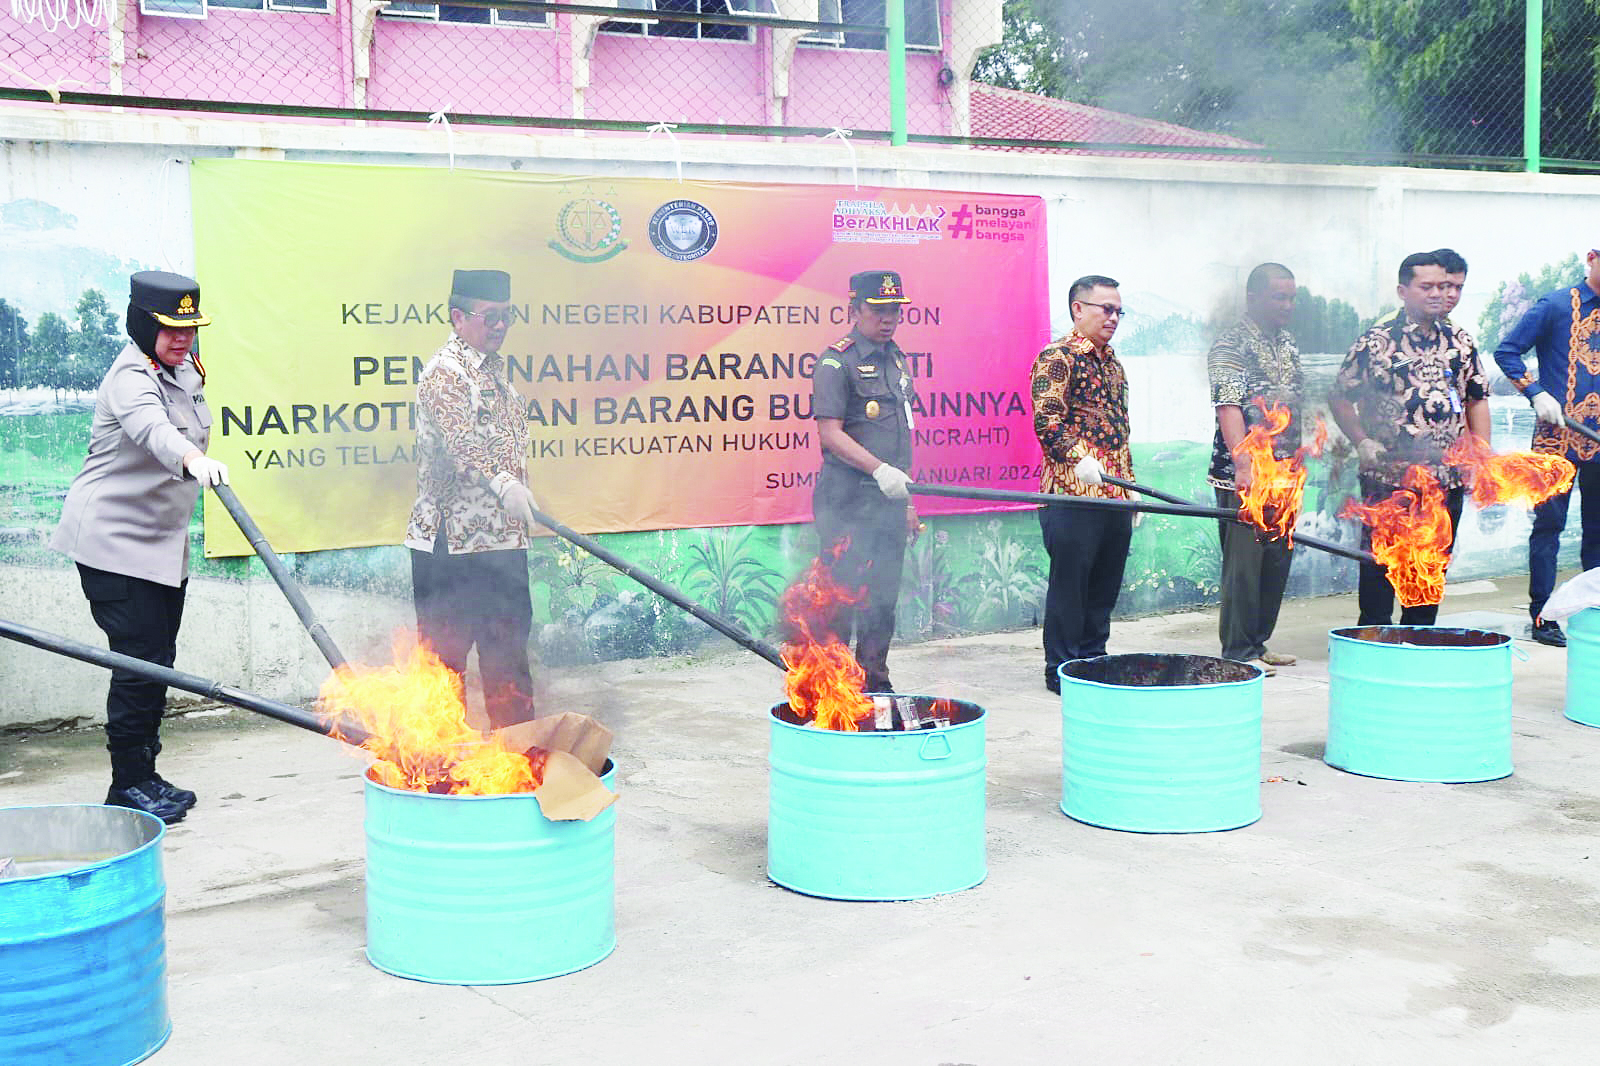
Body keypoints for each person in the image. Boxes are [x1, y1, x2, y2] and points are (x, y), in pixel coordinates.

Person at [51, 271, 227, 824]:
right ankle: (126, 784)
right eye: (171, 329)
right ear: (144, 326)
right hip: (112, 543)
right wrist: (193, 459)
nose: (183, 339)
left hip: (160, 545)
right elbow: (154, 429)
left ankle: (146, 774)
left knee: (158, 662)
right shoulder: (131, 376)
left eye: (190, 328)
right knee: (138, 663)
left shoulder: (184, 369)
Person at [405, 269, 538, 729]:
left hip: (502, 544)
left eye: (507, 316)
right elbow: (461, 444)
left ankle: (517, 755)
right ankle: (444, 763)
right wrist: (504, 484)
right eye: (490, 317)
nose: (500, 326)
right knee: (445, 668)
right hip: (452, 547)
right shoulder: (444, 373)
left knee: (509, 662)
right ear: (458, 317)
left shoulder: (495, 372)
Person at [1330, 251, 1490, 626]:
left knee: (1430, 568)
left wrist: (1480, 456)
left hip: (1445, 478)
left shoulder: (1460, 341)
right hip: (1388, 479)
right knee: (1380, 567)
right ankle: (1374, 637)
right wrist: (1361, 440)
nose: (1438, 294)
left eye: (1444, 286)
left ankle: (1418, 637)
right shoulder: (1376, 342)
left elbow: (1477, 398)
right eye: (1427, 286)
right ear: (1403, 291)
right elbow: (1339, 396)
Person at [810, 269, 920, 693]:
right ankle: (836, 686)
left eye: (895, 309)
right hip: (847, 501)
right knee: (841, 597)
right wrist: (878, 470)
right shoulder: (835, 361)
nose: (888, 318)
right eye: (878, 309)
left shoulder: (896, 358)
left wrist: (908, 502)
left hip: (889, 501)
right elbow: (830, 434)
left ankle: (874, 681)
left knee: (882, 597)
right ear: (854, 309)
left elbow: (902, 435)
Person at [1492, 247, 1600, 648]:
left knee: (1598, 531)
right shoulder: (1555, 305)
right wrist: (1535, 392)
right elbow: (1507, 352)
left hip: (1599, 442)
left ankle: (1593, 614)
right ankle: (1542, 615)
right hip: (1555, 439)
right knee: (1548, 528)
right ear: (1592, 258)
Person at [1030, 275, 1134, 693]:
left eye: (1118, 311)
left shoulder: (1114, 364)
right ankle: (1061, 670)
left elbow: (1120, 430)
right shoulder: (1058, 357)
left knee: (1104, 588)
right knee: (1071, 588)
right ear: (1078, 309)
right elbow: (1047, 421)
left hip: (1115, 494)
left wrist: (1129, 486)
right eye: (1105, 309)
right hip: (1071, 493)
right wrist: (1079, 458)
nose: (1113, 318)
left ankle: (1093, 663)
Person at [1207, 262, 1301, 676]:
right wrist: (1243, 465)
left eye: (1292, 298)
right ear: (1253, 297)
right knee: (1244, 566)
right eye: (1279, 297)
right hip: (1243, 475)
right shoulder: (1230, 344)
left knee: (1276, 561)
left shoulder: (1288, 343)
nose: (1287, 305)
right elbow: (1228, 407)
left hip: (1285, 474)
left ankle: (1259, 642)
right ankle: (1239, 651)